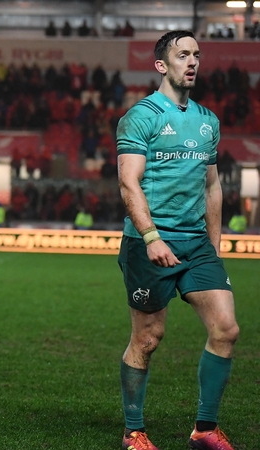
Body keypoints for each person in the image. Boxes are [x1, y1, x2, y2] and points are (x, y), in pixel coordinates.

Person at [115, 30, 239, 450]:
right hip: (147, 243)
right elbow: (128, 183)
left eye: (197, 55)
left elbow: (212, 187)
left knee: (226, 328)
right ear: (161, 65)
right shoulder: (141, 116)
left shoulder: (208, 120)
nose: (193, 61)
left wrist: (215, 247)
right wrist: (151, 237)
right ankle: (134, 432)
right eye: (183, 54)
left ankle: (204, 430)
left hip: (196, 243)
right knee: (148, 339)